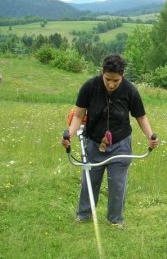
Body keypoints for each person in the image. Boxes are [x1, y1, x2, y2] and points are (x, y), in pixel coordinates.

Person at [61, 54, 158, 227]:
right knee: (89, 181)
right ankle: (83, 216)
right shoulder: (90, 86)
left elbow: (141, 117)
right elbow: (78, 114)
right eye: (107, 79)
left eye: (116, 80)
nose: (111, 84)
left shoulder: (130, 90)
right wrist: (69, 134)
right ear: (101, 72)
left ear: (123, 75)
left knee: (117, 184)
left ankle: (115, 221)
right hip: (93, 142)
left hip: (121, 144)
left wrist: (150, 136)